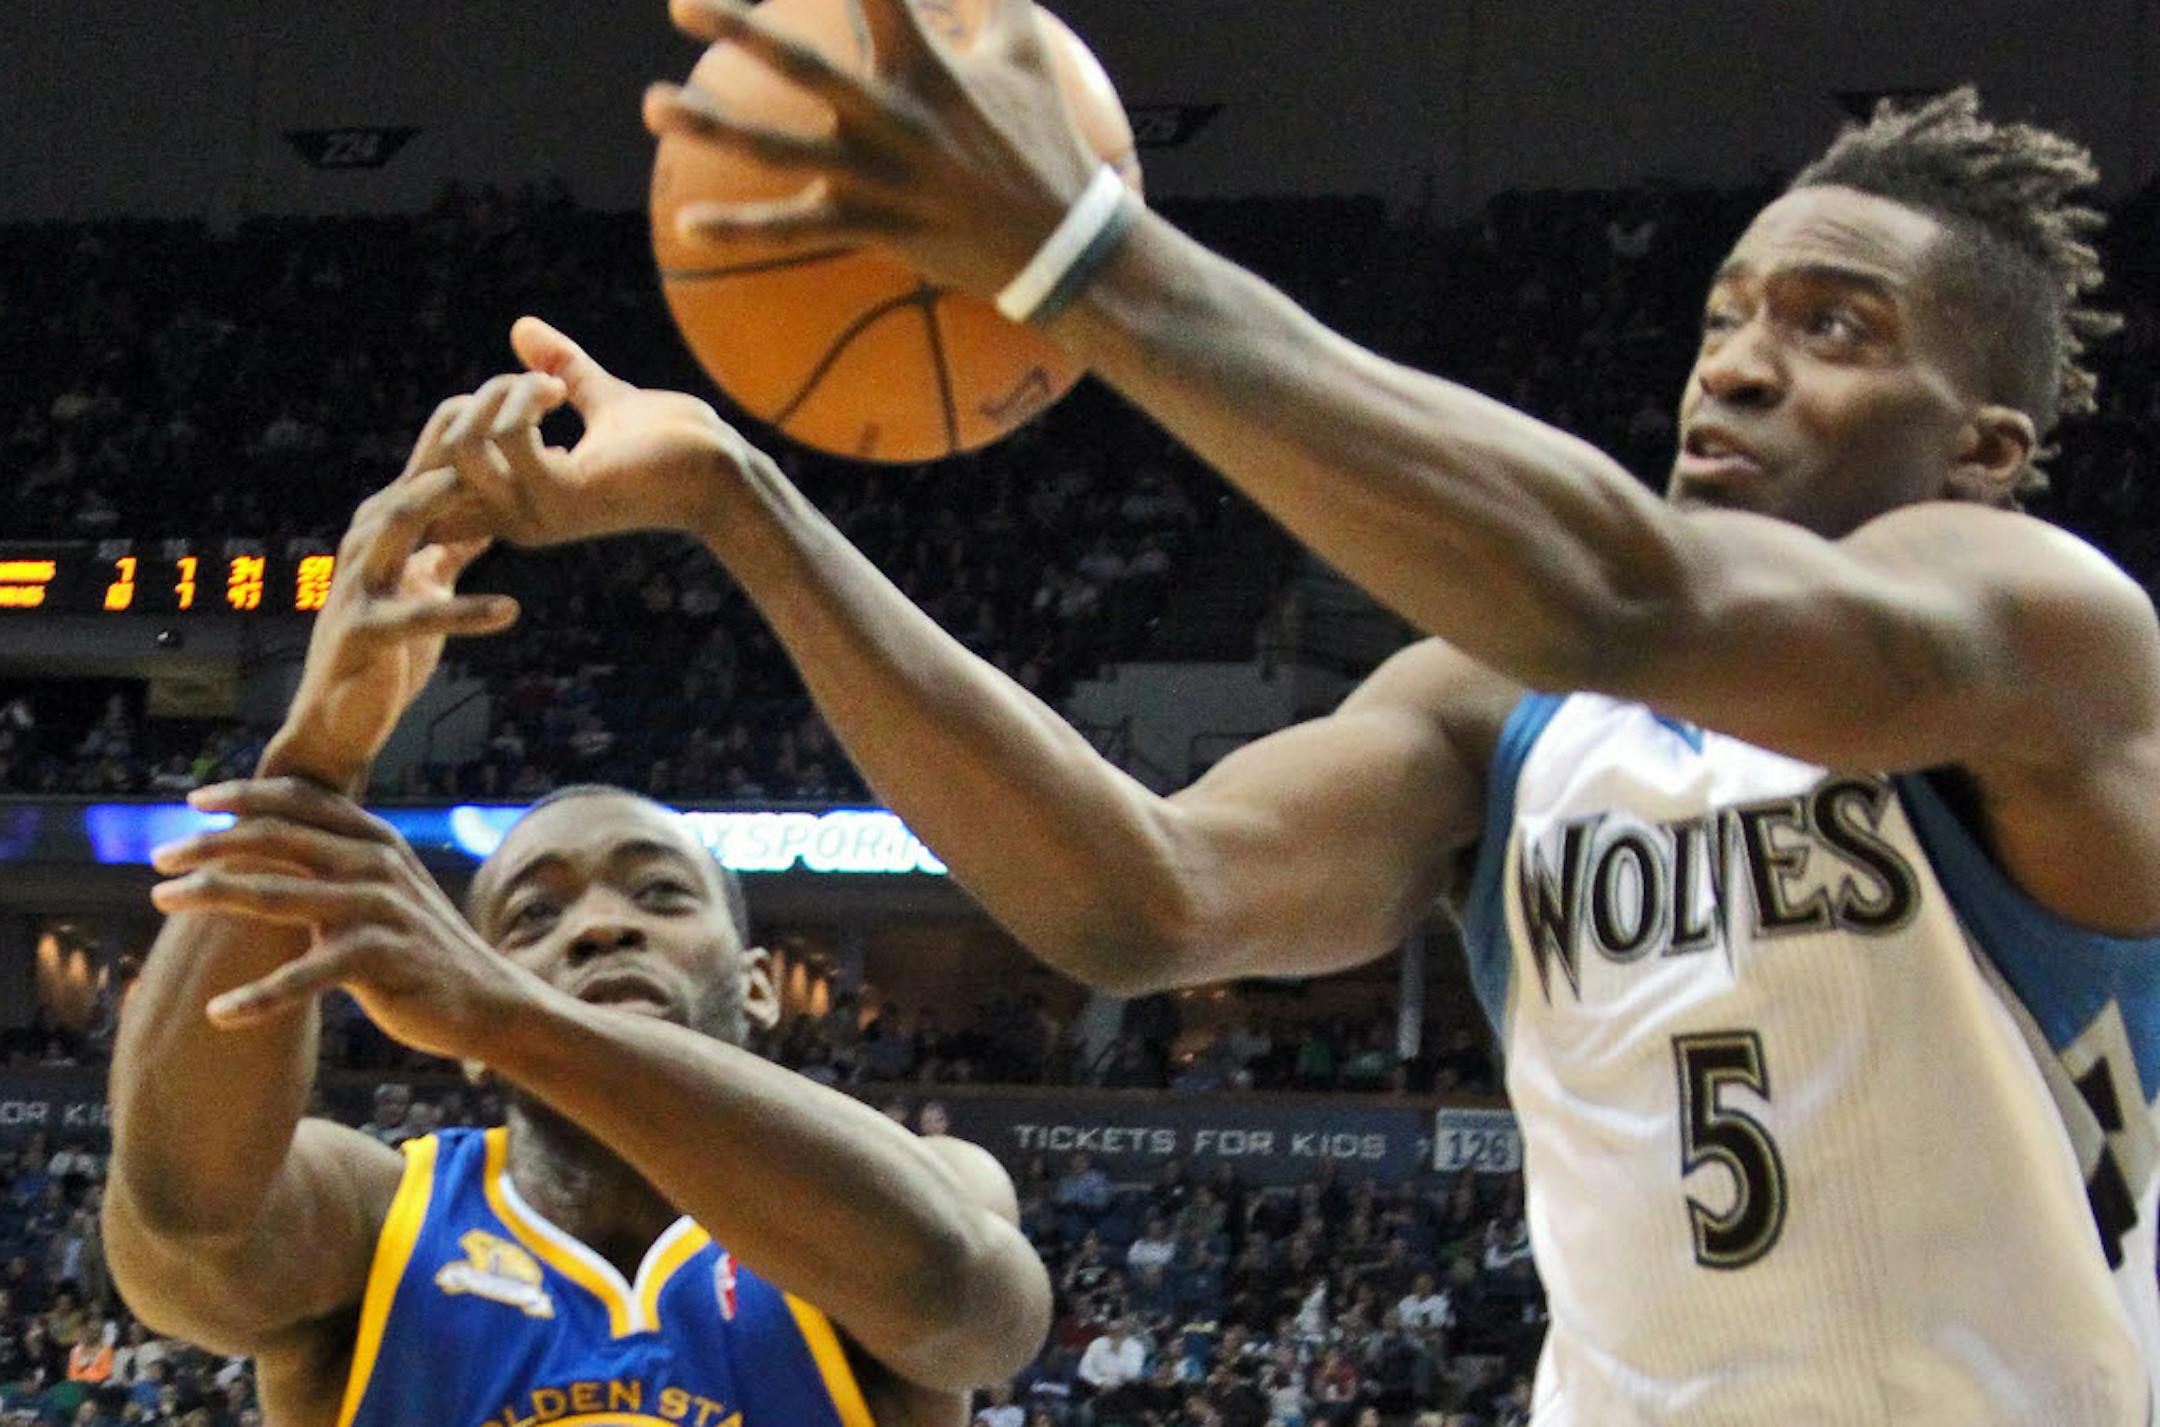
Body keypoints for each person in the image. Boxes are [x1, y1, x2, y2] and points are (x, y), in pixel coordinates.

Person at [417, 42, 2160, 1419]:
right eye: (1726, 319)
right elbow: (1142, 899)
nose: (1740, 367)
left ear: (1988, 447)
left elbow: (1625, 594)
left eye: (1834, 328)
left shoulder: (2047, 638)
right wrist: (746, 507)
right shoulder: (1502, 709)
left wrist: (1085, 256)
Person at [99, 404, 1051, 1427]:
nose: (600, 927)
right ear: (451, 1029)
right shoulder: (381, 1223)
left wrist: (519, 1014)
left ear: (764, 981)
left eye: (659, 891)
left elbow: (973, 1307)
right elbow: (179, 1232)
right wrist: (314, 757)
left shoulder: (916, 1190)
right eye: (533, 914)